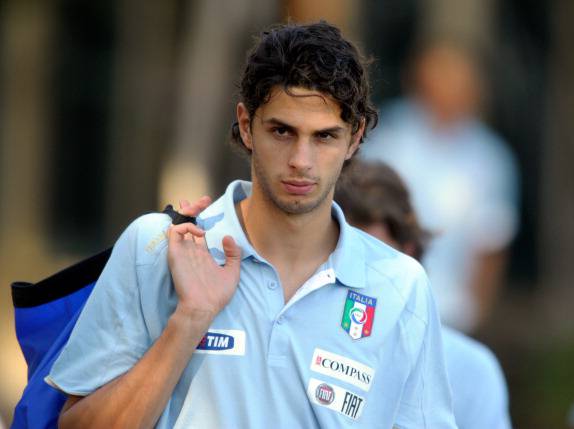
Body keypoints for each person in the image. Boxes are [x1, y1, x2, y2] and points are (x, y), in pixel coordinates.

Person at [45, 22, 456, 428]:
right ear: (246, 125)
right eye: (282, 131)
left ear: (354, 137)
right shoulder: (156, 247)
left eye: (324, 137)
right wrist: (190, 319)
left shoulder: (401, 286)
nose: (301, 160)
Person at [335, 159, 512, 429]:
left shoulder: (470, 368)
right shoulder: (294, 343)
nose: (360, 275)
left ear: (409, 253)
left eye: (376, 255)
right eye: (344, 253)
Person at [362, 40, 520, 332]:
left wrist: (474, 316)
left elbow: (491, 246)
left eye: (459, 79)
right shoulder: (388, 136)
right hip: (380, 302)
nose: (449, 87)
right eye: (441, 75)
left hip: (450, 316)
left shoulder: (490, 157)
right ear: (418, 78)